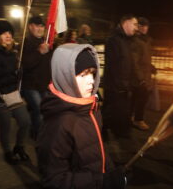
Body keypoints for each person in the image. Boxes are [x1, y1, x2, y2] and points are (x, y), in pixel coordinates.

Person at [37, 44, 127, 189]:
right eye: (83, 74)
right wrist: (101, 181)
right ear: (65, 76)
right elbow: (54, 180)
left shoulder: (90, 107)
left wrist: (110, 170)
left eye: (92, 73)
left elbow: (96, 148)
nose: (91, 80)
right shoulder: (59, 123)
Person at [0, 20, 31, 165]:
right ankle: (7, 152)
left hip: (12, 94)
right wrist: (13, 74)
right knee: (5, 126)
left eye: (9, 32)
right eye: (4, 33)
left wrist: (20, 71)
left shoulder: (13, 53)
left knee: (25, 122)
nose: (8, 35)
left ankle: (19, 147)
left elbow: (17, 76)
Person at [102, 14, 138, 138]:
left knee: (122, 110)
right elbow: (112, 65)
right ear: (126, 23)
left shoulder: (128, 40)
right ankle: (102, 132)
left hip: (124, 85)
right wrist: (120, 84)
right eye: (134, 24)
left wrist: (133, 80)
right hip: (114, 85)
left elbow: (129, 62)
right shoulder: (113, 40)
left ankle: (121, 131)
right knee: (109, 110)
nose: (136, 28)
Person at [21, 16, 51, 140]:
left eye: (42, 26)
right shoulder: (25, 43)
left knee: (44, 110)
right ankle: (38, 135)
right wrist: (39, 52)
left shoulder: (48, 42)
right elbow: (26, 65)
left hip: (44, 84)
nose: (40, 29)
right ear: (30, 27)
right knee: (39, 108)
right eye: (37, 26)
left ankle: (37, 130)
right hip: (30, 85)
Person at [130, 17, 156, 130]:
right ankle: (138, 120)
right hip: (139, 76)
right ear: (138, 27)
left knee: (137, 98)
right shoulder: (135, 40)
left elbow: (145, 58)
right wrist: (141, 78)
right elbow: (134, 61)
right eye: (142, 26)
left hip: (145, 74)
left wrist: (151, 67)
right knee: (141, 98)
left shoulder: (147, 40)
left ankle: (131, 117)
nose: (144, 28)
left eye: (146, 26)